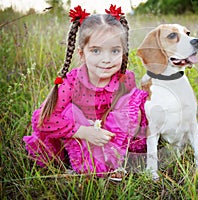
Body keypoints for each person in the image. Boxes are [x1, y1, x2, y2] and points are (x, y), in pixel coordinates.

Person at [23, 5, 148, 179]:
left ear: (123, 52)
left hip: (107, 136)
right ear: (82, 54)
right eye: (96, 51)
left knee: (134, 102)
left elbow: (132, 116)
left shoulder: (124, 79)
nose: (106, 59)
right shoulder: (72, 83)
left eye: (115, 51)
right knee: (71, 112)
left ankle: (116, 161)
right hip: (80, 135)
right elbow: (45, 120)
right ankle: (81, 166)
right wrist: (83, 132)